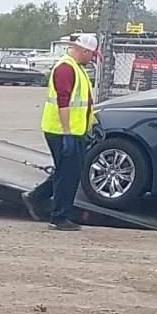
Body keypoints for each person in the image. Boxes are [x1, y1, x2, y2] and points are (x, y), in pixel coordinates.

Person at [41, 33, 98, 228]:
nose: (92, 59)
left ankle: (46, 204)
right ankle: (58, 217)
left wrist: (90, 124)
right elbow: (63, 102)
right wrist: (67, 133)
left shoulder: (76, 68)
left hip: (73, 131)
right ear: (84, 51)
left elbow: (83, 103)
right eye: (91, 54)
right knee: (67, 174)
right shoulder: (66, 68)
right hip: (62, 131)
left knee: (68, 173)